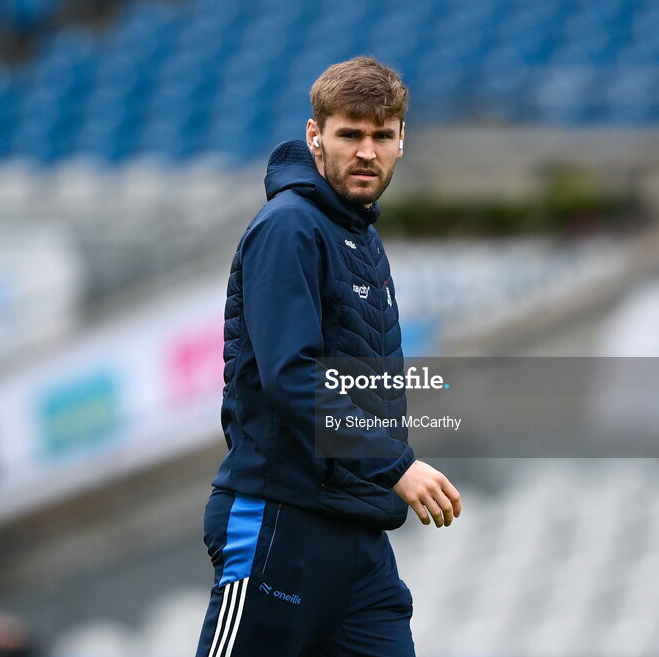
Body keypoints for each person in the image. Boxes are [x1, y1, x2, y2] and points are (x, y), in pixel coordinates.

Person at [195, 57, 462, 657]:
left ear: (401, 142)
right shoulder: (289, 227)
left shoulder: (360, 237)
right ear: (316, 137)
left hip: (359, 535)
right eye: (350, 134)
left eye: (382, 135)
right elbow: (292, 375)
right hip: (281, 520)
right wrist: (394, 464)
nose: (367, 151)